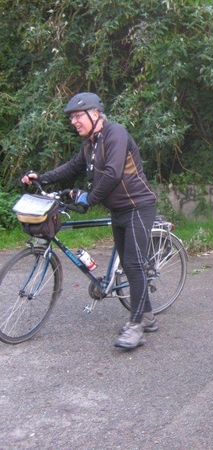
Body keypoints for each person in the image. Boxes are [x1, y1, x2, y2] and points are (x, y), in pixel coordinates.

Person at [21, 92, 158, 350]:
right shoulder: (89, 145)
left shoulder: (115, 133)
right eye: (71, 118)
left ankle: (137, 325)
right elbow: (72, 167)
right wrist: (43, 177)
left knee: (132, 263)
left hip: (139, 206)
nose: (74, 121)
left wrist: (89, 199)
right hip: (118, 210)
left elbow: (112, 173)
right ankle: (148, 315)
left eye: (77, 116)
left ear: (95, 114)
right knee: (129, 265)